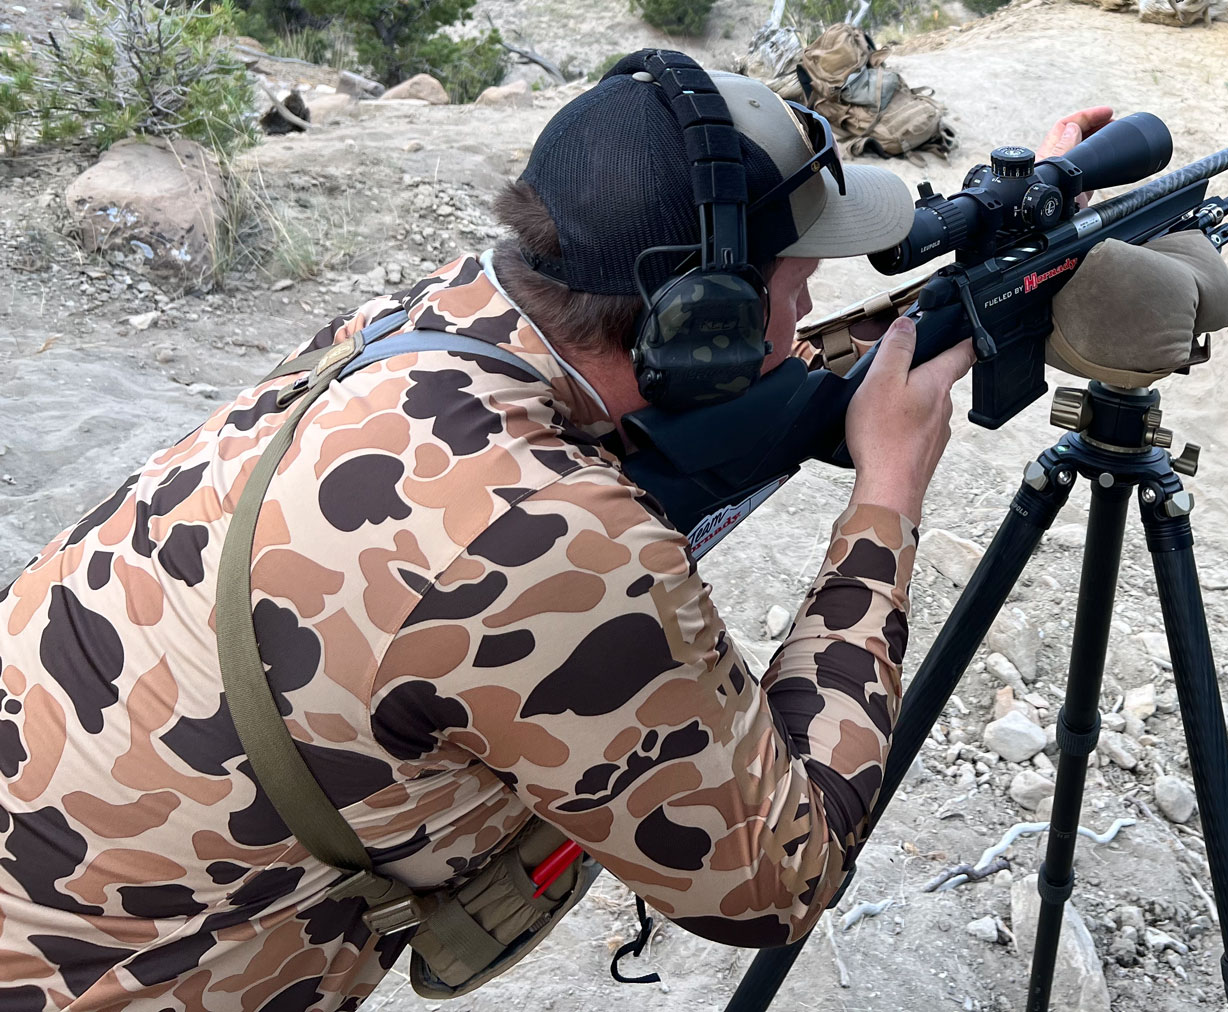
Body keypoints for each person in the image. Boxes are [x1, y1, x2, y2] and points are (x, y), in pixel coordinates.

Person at [0, 49, 1110, 1010]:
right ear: (701, 326)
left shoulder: (415, 333)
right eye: (794, 285)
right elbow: (780, 881)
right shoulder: (556, 545)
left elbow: (675, 420)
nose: (807, 309)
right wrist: (886, 493)